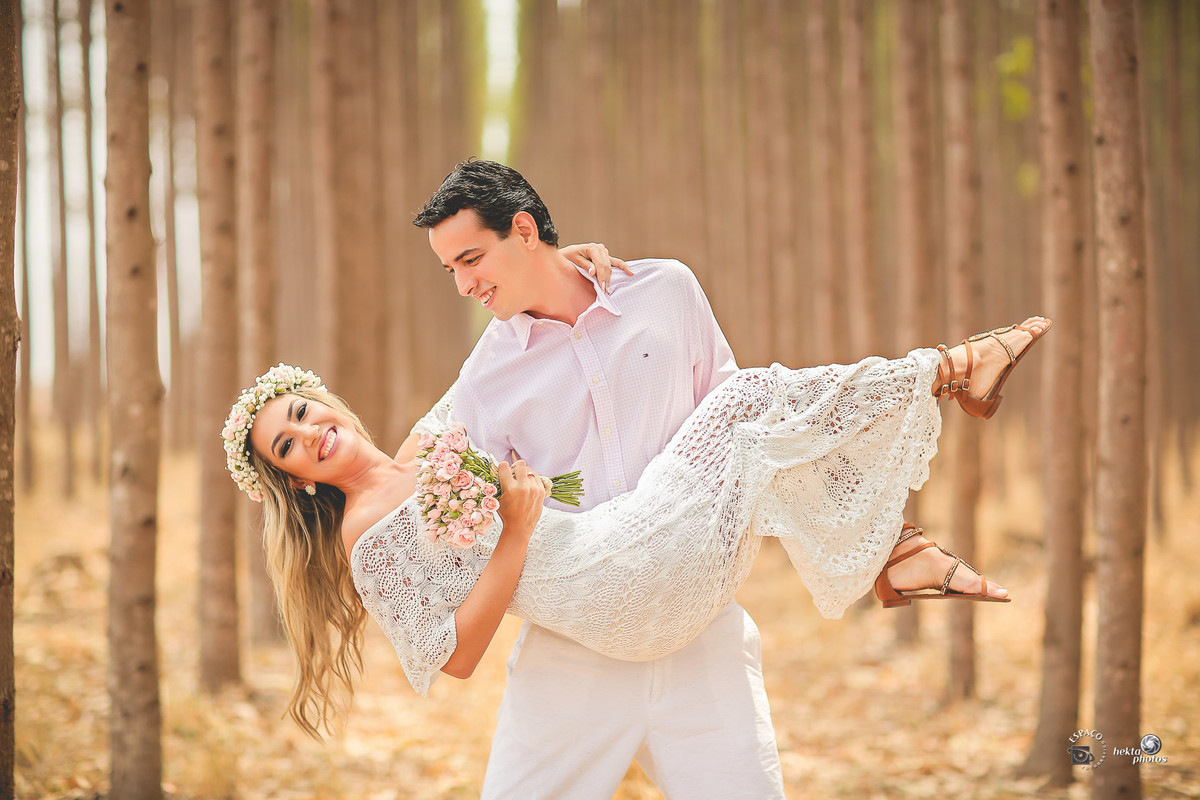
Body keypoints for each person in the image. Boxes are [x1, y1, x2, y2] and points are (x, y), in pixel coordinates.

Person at [223, 313, 1050, 743]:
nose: (309, 433)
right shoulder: (367, 535)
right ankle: (953, 371)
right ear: (294, 480)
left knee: (753, 430)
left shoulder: (422, 446)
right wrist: (516, 531)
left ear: (323, 401)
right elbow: (457, 657)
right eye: (287, 446)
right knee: (742, 405)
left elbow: (502, 346)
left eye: (302, 412)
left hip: (621, 542)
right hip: (611, 587)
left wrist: (572, 263)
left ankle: (896, 551)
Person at [414, 158, 785, 798]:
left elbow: (738, 428)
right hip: (570, 655)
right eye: (451, 270)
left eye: (471, 259)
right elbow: (430, 481)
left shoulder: (668, 291)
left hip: (701, 636)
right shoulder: (483, 379)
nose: (464, 285)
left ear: (523, 229)